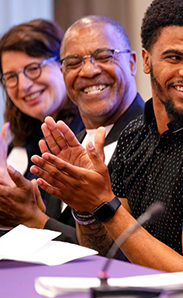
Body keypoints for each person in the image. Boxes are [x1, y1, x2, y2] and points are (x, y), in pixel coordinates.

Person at [30, 0, 183, 274]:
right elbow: (105, 252)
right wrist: (84, 204)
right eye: (174, 57)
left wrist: (103, 204)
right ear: (145, 61)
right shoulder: (134, 134)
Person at [39, 15, 145, 241]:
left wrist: (33, 220)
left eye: (104, 56)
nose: (88, 71)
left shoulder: (152, 138)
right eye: (74, 62)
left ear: (133, 63)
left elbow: (125, 250)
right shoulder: (71, 142)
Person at [0, 19, 83, 235]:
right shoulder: (21, 140)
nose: (23, 85)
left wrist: (3, 177)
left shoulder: (87, 136)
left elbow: (61, 227)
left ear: (63, 64)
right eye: (11, 77)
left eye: (33, 68)